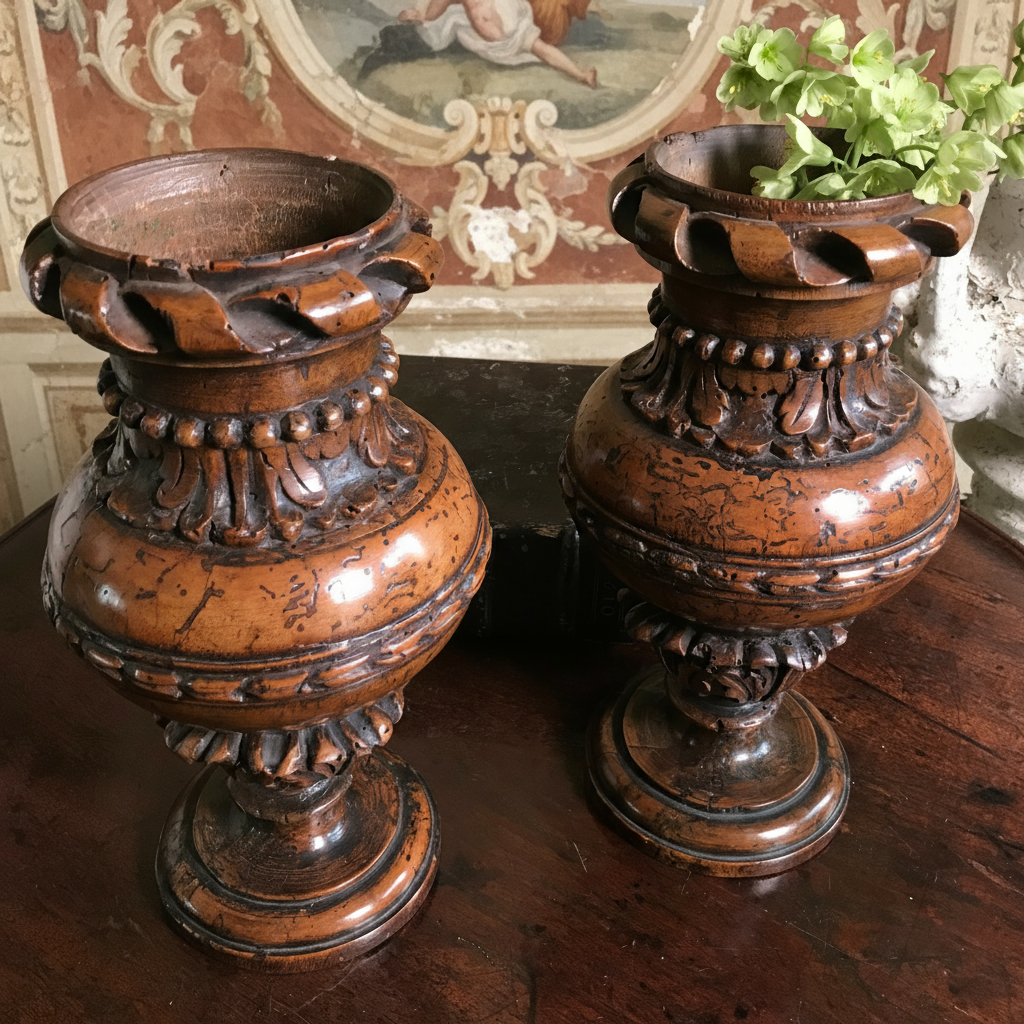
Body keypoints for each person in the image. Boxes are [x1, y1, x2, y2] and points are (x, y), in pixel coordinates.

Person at [398, 0, 597, 87]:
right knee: (541, 50)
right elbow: (434, 10)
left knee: (543, 49)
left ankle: (582, 75)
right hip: (491, 40)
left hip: (511, 24)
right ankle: (582, 75)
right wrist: (421, 16)